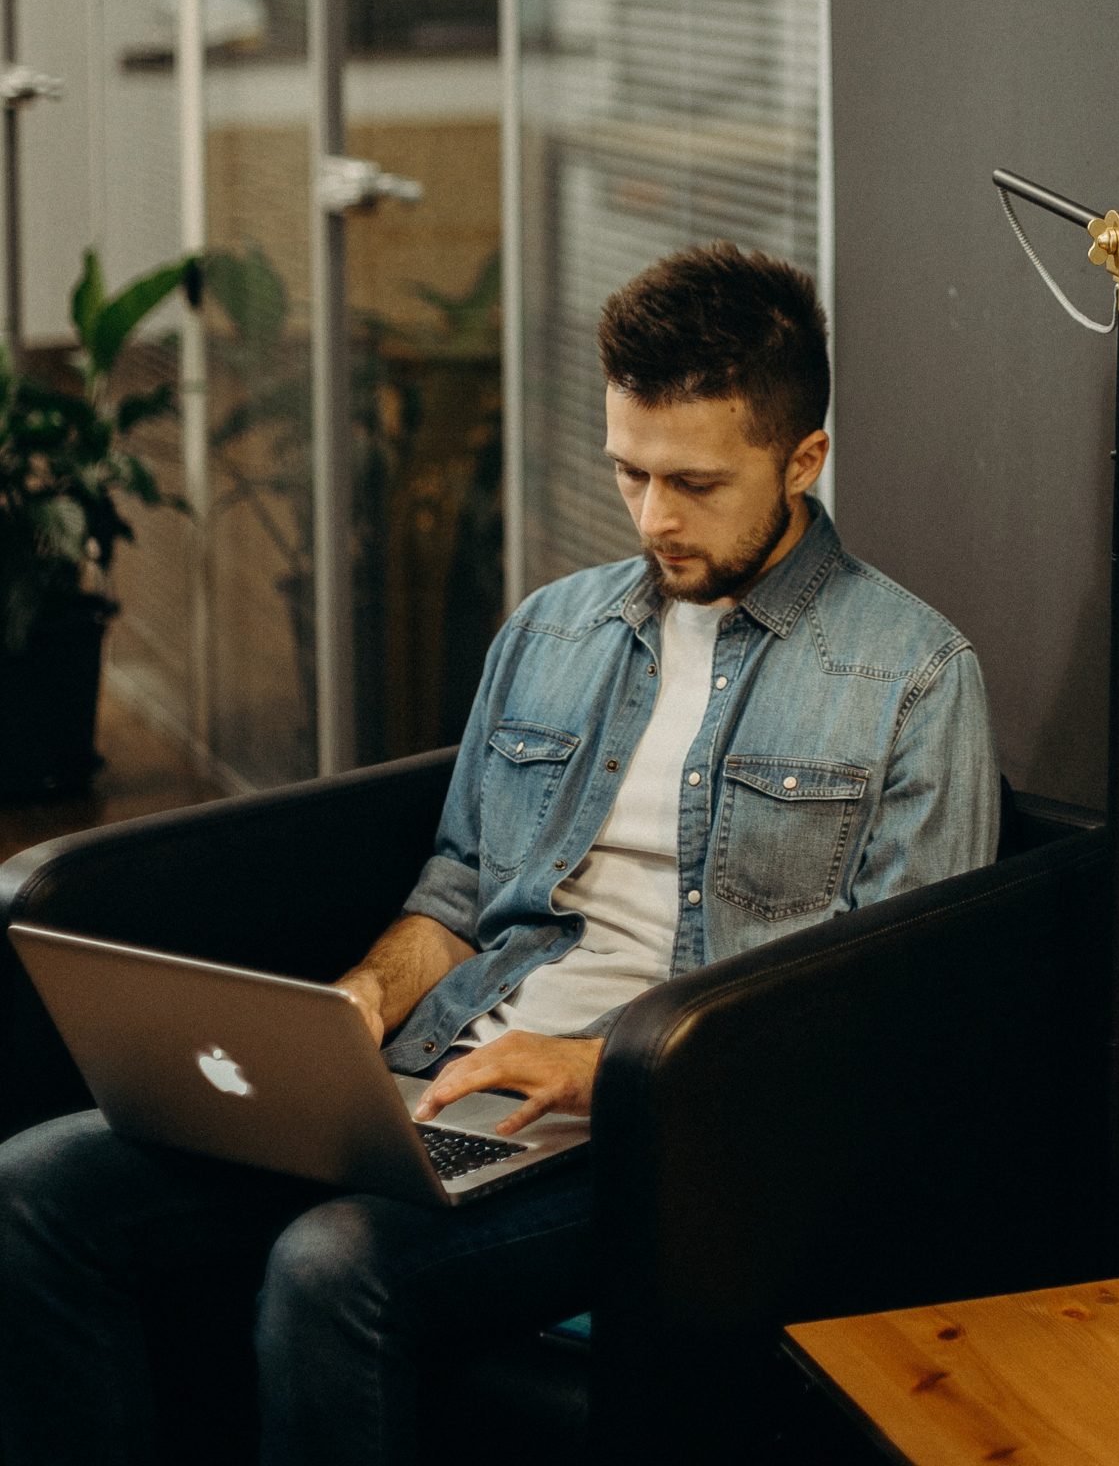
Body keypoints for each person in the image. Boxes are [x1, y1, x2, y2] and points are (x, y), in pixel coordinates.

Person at [0, 241, 1000, 1466]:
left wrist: (593, 1070)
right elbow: (461, 887)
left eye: (693, 482)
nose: (653, 519)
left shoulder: (912, 677)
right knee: (36, 1186)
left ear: (804, 460)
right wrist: (364, 1001)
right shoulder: (553, 629)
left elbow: (893, 1018)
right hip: (443, 1086)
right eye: (629, 473)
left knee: (334, 1264)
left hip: (662, 1146)